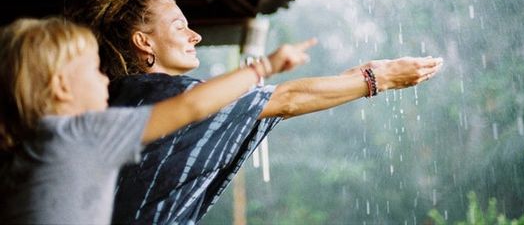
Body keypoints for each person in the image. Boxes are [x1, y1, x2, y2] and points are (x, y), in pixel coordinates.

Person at [69, 0, 443, 224]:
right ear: (144, 41)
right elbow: (284, 99)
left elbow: (279, 97)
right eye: (179, 25)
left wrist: (354, 76)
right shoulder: (164, 96)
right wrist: (379, 78)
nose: (194, 36)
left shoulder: (123, 96)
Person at [0, 17, 309, 224]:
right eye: (94, 70)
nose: (104, 79)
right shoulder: (84, 135)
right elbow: (191, 106)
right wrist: (264, 67)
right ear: (61, 87)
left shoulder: (27, 150)